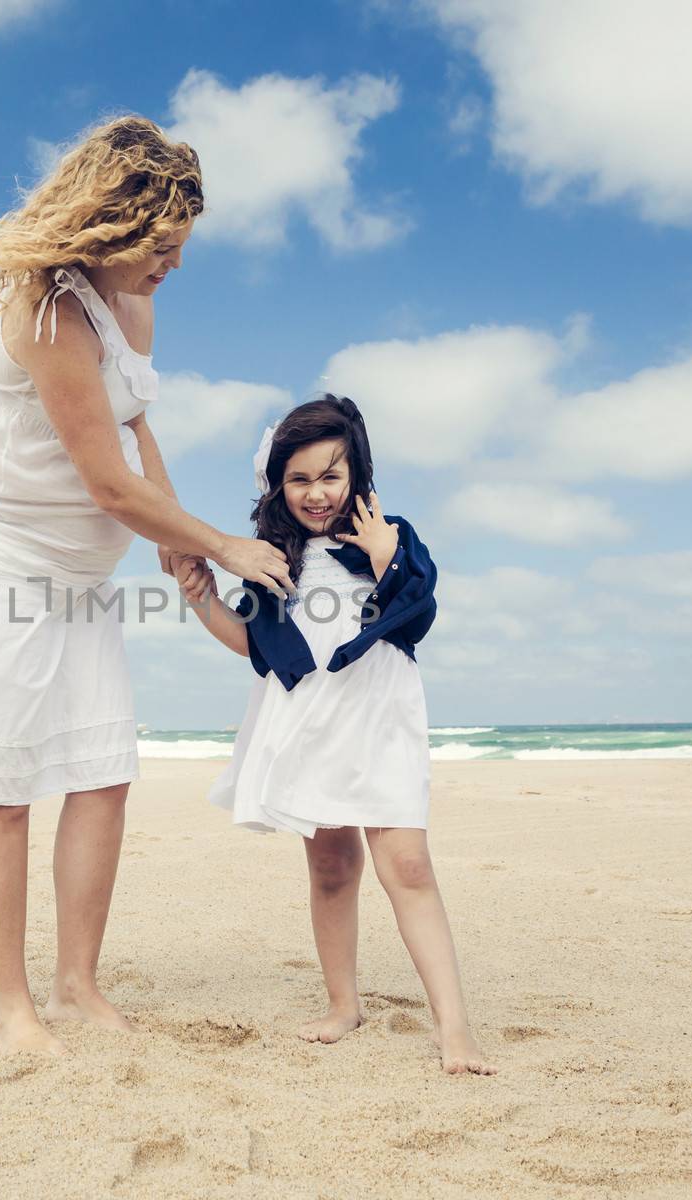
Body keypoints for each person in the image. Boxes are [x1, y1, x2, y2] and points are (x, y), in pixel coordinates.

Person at [0, 115, 295, 1057]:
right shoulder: (49, 310)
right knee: (6, 788)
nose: (174, 268)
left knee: (104, 777)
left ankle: (75, 986)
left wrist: (174, 542)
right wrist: (223, 544)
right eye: (162, 250)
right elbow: (103, 483)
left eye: (181, 250)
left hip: (78, 579)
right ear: (111, 230)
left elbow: (135, 430)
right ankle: (13, 1006)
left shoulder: (131, 304)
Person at [172, 394, 495, 1075]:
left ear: (356, 474)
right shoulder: (268, 559)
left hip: (379, 715)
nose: (317, 493)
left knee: (406, 864)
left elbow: (416, 614)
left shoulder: (390, 535)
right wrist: (198, 593)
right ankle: (343, 1003)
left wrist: (385, 559)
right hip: (308, 720)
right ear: (277, 486)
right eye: (300, 479)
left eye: (330, 475)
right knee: (331, 866)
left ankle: (455, 1027)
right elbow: (255, 648)